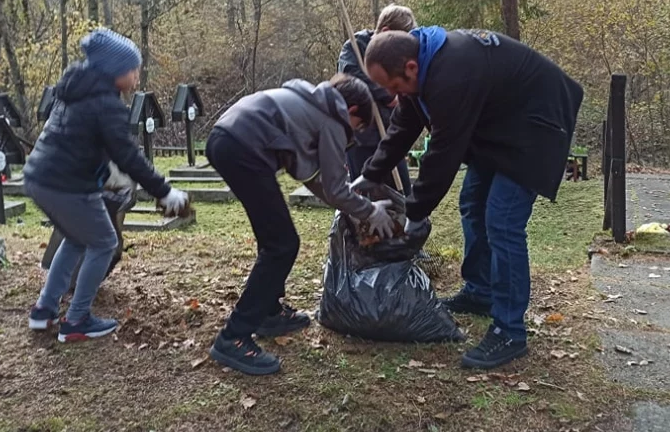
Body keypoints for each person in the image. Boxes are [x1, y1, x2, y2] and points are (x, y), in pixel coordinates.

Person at [355, 27, 583, 370]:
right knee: (472, 202)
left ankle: (510, 331)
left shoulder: (452, 74)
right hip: (500, 126)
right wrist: (369, 175)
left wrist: (415, 212)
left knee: (502, 222)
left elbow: (444, 153)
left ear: (411, 68)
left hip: (537, 125)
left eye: (394, 87)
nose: (392, 95)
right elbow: (404, 126)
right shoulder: (422, 63)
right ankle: (481, 291)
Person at [205, 73, 396, 376]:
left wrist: (355, 208)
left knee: (275, 239)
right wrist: (369, 211)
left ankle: (268, 312)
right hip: (242, 147)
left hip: (226, 138)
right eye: (358, 127)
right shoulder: (333, 119)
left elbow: (315, 181)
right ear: (354, 111)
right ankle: (234, 338)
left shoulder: (310, 103)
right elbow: (334, 188)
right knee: (282, 244)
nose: (353, 134)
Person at [25, 29, 189, 343]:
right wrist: (165, 191)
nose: (137, 76)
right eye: (133, 69)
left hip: (39, 179)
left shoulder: (77, 90)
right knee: (104, 242)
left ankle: (44, 311)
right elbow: (127, 156)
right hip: (67, 186)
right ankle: (78, 320)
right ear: (115, 71)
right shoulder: (105, 104)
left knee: (75, 239)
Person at [337, 4, 417, 195]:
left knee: (402, 190)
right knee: (365, 191)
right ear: (386, 32)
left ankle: (404, 222)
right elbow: (351, 79)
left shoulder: (399, 57)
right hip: (361, 138)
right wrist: (387, 93)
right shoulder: (355, 47)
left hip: (390, 134)